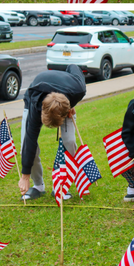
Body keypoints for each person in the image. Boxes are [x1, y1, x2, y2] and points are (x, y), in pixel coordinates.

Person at [18, 65, 86, 201]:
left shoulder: (78, 89)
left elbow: (73, 67)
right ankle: (38, 186)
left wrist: (71, 104)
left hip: (65, 100)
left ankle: (60, 186)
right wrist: (25, 175)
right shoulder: (35, 103)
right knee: (26, 148)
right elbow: (30, 140)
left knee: (69, 142)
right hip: (35, 100)